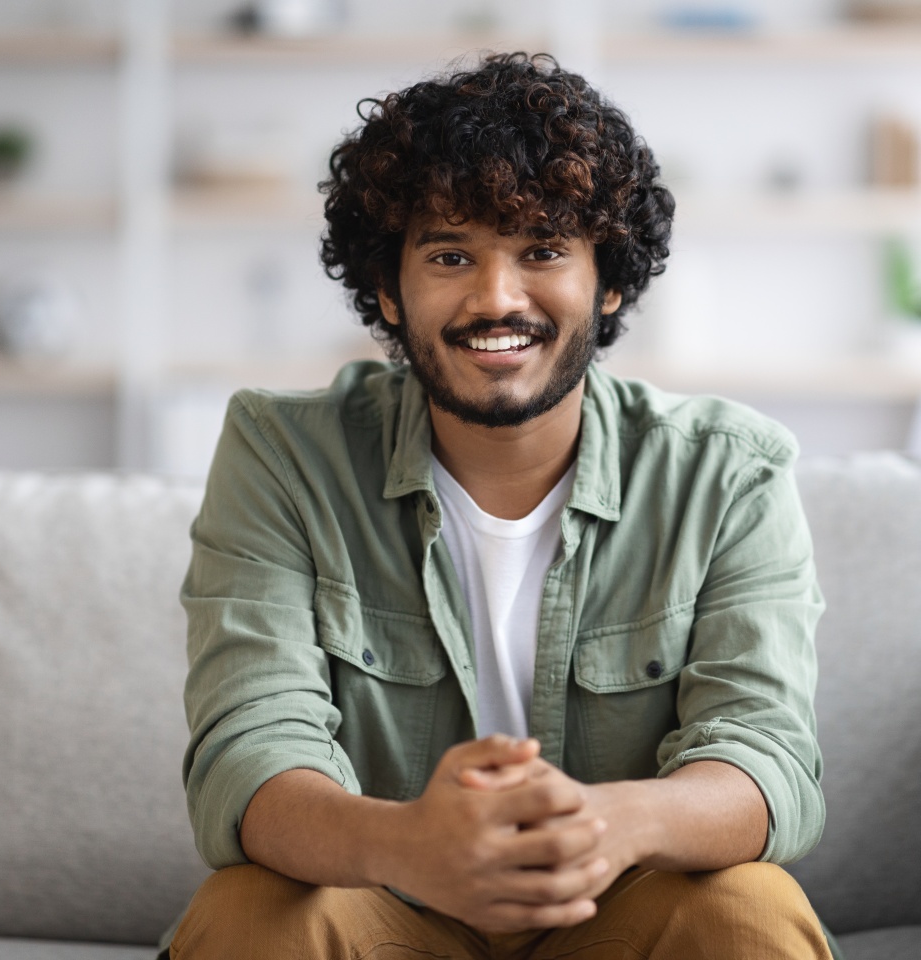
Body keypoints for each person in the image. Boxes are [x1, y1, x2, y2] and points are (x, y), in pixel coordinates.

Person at [169, 52, 832, 959]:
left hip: (617, 915)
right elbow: (248, 752)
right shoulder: (282, 454)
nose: (496, 299)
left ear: (608, 284)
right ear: (386, 293)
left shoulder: (729, 473)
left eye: (543, 251)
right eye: (449, 255)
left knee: (747, 909)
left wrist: (605, 825)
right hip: (386, 906)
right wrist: (413, 846)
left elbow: (769, 762)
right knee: (256, 913)